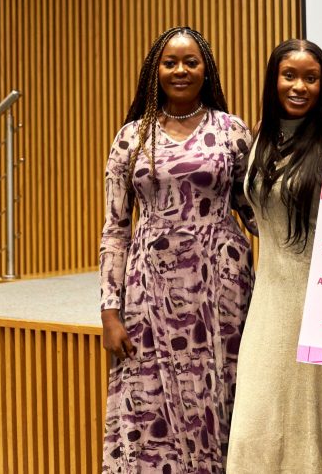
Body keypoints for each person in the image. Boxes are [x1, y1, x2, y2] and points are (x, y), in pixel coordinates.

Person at [100, 26, 257, 472]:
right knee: (149, 404)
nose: (181, 70)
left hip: (222, 290)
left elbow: (258, 212)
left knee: (220, 394)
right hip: (147, 293)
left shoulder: (232, 131)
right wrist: (110, 311)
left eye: (191, 62)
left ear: (206, 70)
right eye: (171, 62)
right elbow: (115, 229)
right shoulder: (130, 137)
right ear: (155, 70)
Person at [226, 39, 322, 473]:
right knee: (259, 419)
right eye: (288, 75)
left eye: (310, 78)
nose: (299, 86)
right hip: (270, 300)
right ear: (273, 80)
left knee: (319, 421)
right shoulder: (258, 135)